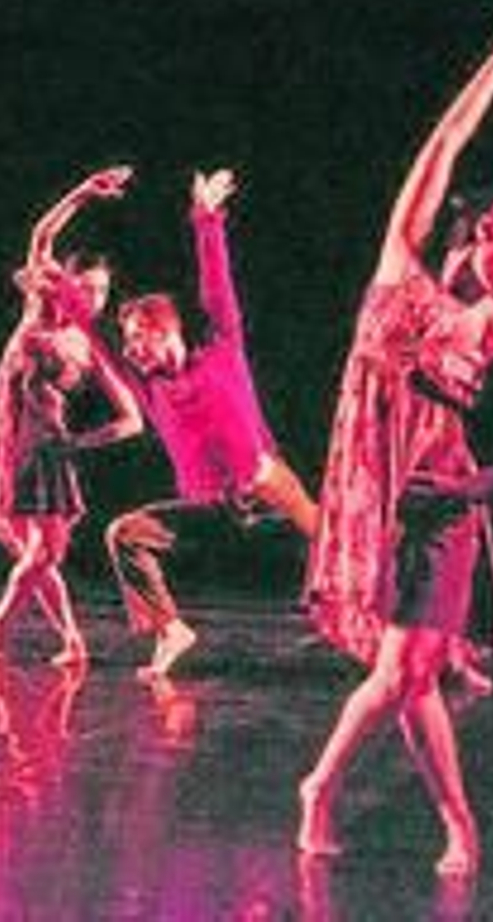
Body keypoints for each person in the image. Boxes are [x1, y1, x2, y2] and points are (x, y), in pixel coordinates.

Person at [297, 3, 493, 877]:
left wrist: (475, 490)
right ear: (487, 228)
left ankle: (357, 797)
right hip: (373, 497)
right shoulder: (398, 266)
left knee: (410, 670)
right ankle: (384, 805)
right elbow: (443, 148)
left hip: (441, 504)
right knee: (409, 676)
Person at [99, 167, 318, 679]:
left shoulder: (223, 350)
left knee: (342, 557)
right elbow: (97, 341)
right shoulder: (150, 392)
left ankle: (409, 648)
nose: (130, 349)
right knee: (125, 534)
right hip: (209, 511)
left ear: (164, 329)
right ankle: (171, 630)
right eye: (127, 341)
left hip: (268, 493)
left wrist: (206, 219)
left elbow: (218, 287)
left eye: (137, 337)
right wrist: (61, 294)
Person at [0, 167, 143, 664]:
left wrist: (82, 443)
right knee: (39, 554)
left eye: (103, 290)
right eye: (88, 286)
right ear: (65, 283)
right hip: (6, 436)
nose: (96, 298)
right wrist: (82, 191)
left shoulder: (88, 343)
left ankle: (40, 631)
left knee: (44, 555)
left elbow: (132, 419)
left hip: (49, 446)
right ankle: (43, 633)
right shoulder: (39, 308)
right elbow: (41, 236)